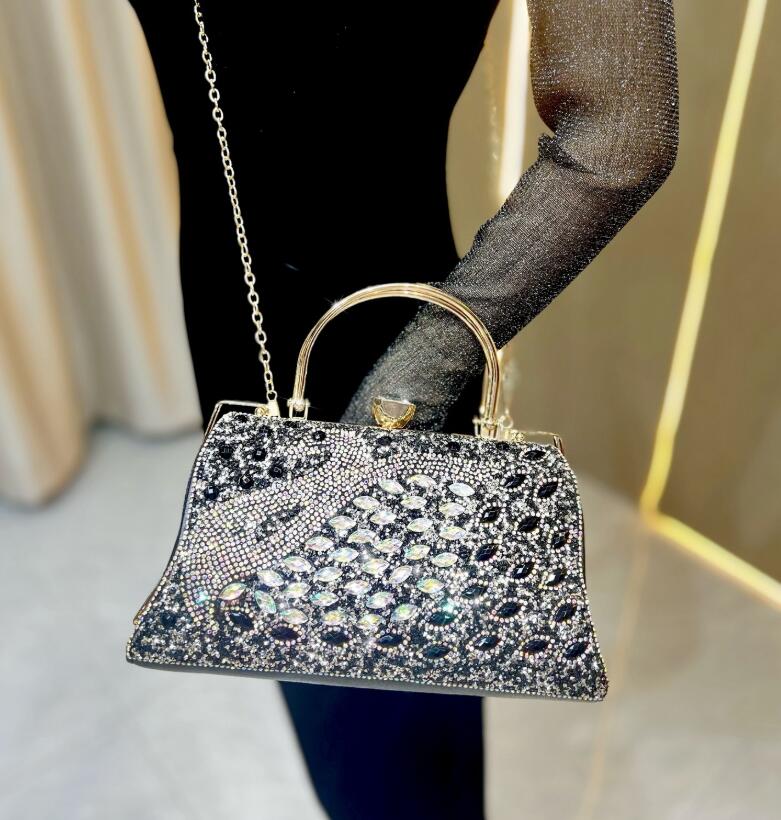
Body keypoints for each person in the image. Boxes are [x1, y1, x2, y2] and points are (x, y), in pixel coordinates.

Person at [128, 2, 678, 817]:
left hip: (382, 366)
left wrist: (399, 398)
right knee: (359, 696)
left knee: (384, 723)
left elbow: (621, 137)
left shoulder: (394, 390)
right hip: (312, 342)